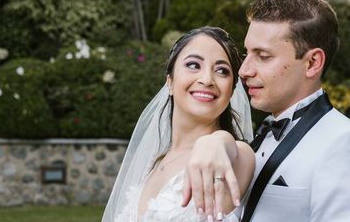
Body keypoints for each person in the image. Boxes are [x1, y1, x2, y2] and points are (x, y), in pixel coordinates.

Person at [183, 0, 350, 222]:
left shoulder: (346, 143)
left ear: (312, 63)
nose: (244, 71)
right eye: (247, 54)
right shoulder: (263, 135)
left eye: (263, 56)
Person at [101, 27, 255, 222]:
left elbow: (232, 149)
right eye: (193, 65)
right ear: (170, 82)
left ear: (231, 91)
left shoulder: (235, 159)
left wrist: (219, 140)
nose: (207, 79)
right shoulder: (154, 163)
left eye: (222, 70)